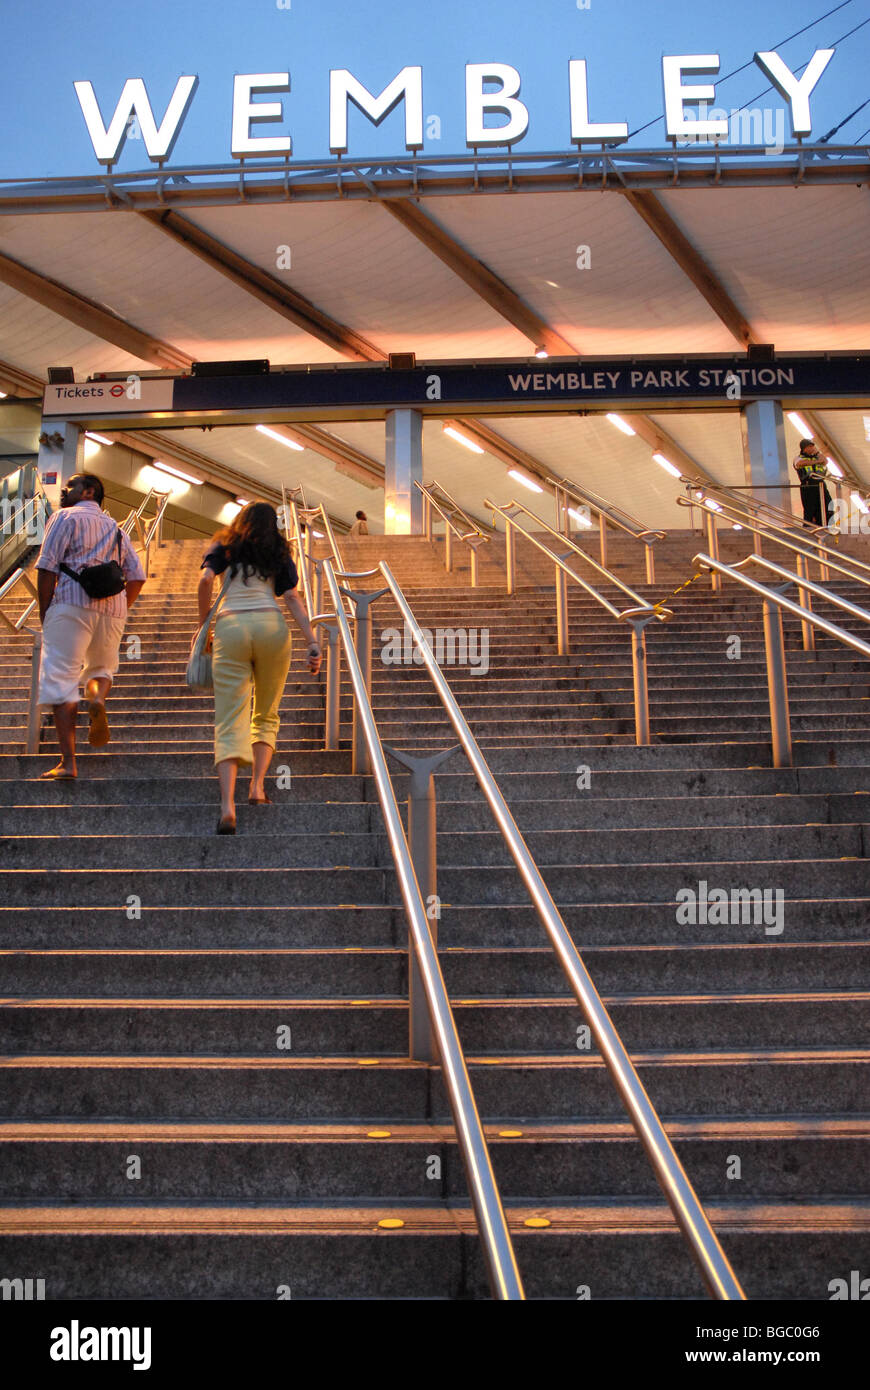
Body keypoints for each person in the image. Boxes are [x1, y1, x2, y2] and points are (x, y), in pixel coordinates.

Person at [195, 501, 322, 834]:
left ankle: (227, 807)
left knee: (228, 719)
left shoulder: (224, 543)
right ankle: (257, 788)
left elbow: (205, 581)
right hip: (271, 628)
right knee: (266, 713)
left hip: (231, 628)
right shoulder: (279, 549)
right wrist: (312, 641)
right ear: (273, 524)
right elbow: (292, 596)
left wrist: (202, 626)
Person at [34, 473, 145, 780]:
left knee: (62, 680)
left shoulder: (63, 517)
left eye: (69, 486)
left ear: (89, 491)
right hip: (112, 610)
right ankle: (97, 698)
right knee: (100, 669)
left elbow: (47, 566)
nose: (63, 491)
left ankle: (68, 763)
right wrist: (120, 608)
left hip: (70, 604)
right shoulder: (117, 528)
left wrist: (47, 613)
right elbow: (136, 576)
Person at [793, 439, 833, 527]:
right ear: (804, 448)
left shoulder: (817, 456)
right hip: (808, 485)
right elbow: (800, 463)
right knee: (810, 508)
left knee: (828, 505)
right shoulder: (799, 458)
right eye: (810, 447)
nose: (812, 448)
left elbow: (825, 461)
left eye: (813, 446)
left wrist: (817, 453)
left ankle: (826, 525)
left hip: (821, 485)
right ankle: (808, 528)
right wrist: (816, 461)